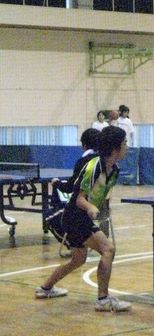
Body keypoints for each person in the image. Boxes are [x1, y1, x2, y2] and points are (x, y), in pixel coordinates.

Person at [36, 126, 132, 312]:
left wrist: (99, 210)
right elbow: (80, 199)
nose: (127, 147)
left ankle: (45, 288)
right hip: (75, 216)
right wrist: (90, 208)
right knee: (108, 249)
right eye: (124, 143)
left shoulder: (114, 169)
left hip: (80, 217)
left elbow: (100, 195)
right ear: (115, 149)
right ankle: (103, 300)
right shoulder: (93, 167)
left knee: (78, 260)